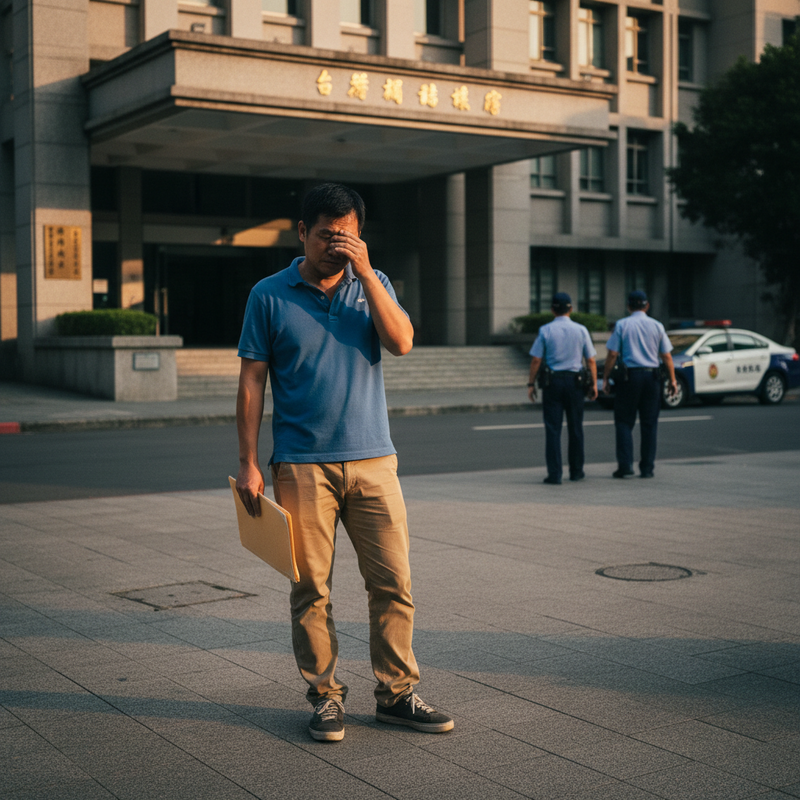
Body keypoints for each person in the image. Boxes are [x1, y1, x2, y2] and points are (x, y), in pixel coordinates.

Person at [235, 183, 453, 743]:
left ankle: (397, 694)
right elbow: (252, 381)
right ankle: (325, 697)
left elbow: (402, 341)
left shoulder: (373, 284)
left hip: (375, 460)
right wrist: (250, 462)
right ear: (302, 233)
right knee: (311, 588)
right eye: (328, 235)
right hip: (302, 466)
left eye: (349, 236)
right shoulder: (268, 294)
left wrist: (368, 274)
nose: (338, 246)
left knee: (394, 583)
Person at [601, 290, 678, 479]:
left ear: (628, 306)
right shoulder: (657, 326)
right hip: (652, 378)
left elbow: (612, 354)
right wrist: (672, 380)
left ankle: (625, 465)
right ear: (647, 306)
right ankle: (647, 468)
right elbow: (666, 355)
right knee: (649, 424)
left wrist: (606, 378)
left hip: (629, 378)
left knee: (624, 422)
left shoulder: (622, 325)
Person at [527, 292, 598, 484]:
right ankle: (576, 472)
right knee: (576, 428)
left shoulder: (545, 330)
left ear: (552, 310)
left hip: (553, 384)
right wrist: (593, 384)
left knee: (553, 430)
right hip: (575, 383)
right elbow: (591, 359)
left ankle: (555, 474)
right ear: (571, 309)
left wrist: (531, 383)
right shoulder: (581, 330)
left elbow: (536, 360)